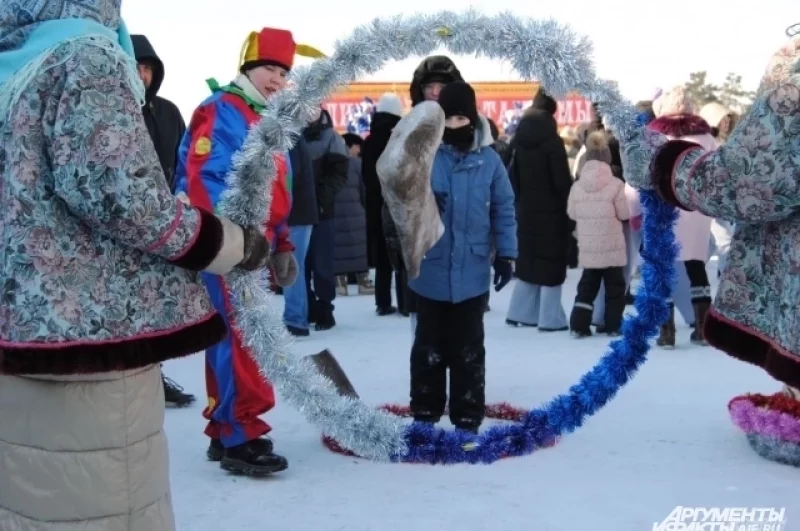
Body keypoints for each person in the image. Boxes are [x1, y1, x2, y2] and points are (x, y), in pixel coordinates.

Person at [0, 2, 271, 528]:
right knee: (105, 499)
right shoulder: (84, 54)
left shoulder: (13, 59)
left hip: (17, 337)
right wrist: (235, 246)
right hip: (93, 342)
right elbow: (123, 197)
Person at [620, 34, 800, 461]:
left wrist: (660, 164)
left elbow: (755, 175)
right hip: (699, 225)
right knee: (688, 271)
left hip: (696, 210)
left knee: (667, 274)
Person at [175, 27, 323, 476]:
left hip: (252, 247)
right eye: (269, 69)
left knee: (235, 338)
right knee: (244, 341)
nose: (277, 79)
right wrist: (239, 239)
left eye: (283, 71)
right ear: (247, 69)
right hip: (229, 247)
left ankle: (225, 431)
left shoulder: (267, 121)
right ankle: (243, 436)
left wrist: (280, 240)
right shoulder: (222, 110)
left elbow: (275, 190)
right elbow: (205, 181)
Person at [399, 81, 517, 432]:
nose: (454, 126)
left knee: (468, 351)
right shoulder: (424, 155)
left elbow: (504, 207)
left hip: (473, 270)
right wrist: (426, 203)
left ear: (473, 116)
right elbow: (400, 198)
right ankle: (424, 414)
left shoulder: (490, 160)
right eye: (447, 119)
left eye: (460, 117)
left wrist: (506, 253)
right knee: (428, 350)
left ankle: (467, 416)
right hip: (430, 267)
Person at [131, 33, 196, 409]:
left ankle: (154, 376)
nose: (142, 75)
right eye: (137, 66)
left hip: (165, 218)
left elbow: (185, 158)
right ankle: (140, 381)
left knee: (155, 303)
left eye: (148, 68)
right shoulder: (113, 108)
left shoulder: (169, 111)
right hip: (127, 222)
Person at [384, 56, 464, 325]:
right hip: (420, 233)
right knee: (423, 327)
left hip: (459, 236)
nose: (435, 92)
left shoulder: (470, 130)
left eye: (442, 86)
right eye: (429, 86)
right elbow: (391, 182)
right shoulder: (406, 129)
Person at [646, 86, 716, 348]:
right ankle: (702, 328)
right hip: (696, 208)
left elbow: (643, 173)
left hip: (665, 206)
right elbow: (717, 169)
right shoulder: (706, 136)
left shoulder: (654, 135)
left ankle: (666, 332)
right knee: (696, 266)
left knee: (663, 266)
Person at [505, 91, 574, 331]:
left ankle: (519, 312)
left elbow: (514, 177)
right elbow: (561, 182)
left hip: (526, 209)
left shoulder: (518, 139)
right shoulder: (552, 141)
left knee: (529, 260)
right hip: (552, 211)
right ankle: (550, 318)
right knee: (552, 261)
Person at [567, 132, 631, 337]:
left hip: (588, 245)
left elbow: (572, 213)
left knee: (587, 285)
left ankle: (579, 324)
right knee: (615, 287)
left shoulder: (577, 186)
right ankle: (613, 325)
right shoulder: (616, 185)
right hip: (612, 245)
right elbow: (624, 213)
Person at [302, 108, 350, 330]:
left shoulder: (332, 138)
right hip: (297, 213)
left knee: (322, 263)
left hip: (322, 211)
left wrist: (320, 199)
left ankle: (325, 309)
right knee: (299, 264)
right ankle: (307, 305)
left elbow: (339, 174)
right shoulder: (290, 135)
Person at [362, 93, 406, 315]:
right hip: (397, 204)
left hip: (374, 205)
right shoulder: (400, 138)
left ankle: (382, 302)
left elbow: (365, 178)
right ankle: (406, 303)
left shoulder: (369, 142)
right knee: (401, 254)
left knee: (381, 255)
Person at [283, 130, 319, 336]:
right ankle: (296, 317)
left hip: (295, 213)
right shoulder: (294, 135)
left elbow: (289, 174)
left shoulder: (290, 137)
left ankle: (295, 319)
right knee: (295, 267)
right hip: (299, 213)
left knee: (292, 267)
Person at [334, 133, 372, 297]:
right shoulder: (356, 164)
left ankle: (340, 283)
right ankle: (363, 282)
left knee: (338, 248)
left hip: (334, 214)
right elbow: (364, 191)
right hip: (357, 212)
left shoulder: (328, 165)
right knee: (359, 247)